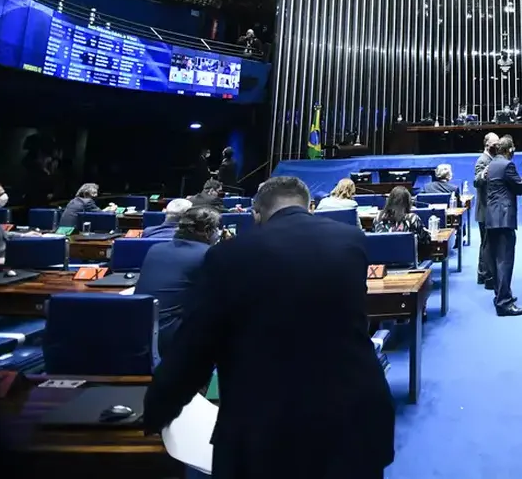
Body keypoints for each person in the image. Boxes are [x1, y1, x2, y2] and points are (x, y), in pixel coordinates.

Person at [143, 176, 394, 478]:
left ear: (256, 213)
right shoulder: (351, 240)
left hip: (267, 431)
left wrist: (156, 410)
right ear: (310, 207)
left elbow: (194, 349)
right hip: (356, 418)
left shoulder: (227, 255)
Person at [134, 206, 221, 356]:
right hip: (172, 338)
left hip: (138, 332)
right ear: (208, 231)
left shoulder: (155, 249)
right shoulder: (208, 254)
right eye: (217, 229)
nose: (219, 233)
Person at [483, 136, 522, 316]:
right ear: (509, 149)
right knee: (505, 261)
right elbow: (521, 187)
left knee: (495, 260)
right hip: (503, 218)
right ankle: (504, 303)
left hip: (491, 217)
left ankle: (501, 294)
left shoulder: (492, 163)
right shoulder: (508, 165)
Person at [473, 132, 499, 288]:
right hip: (485, 209)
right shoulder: (482, 160)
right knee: (486, 243)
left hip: (490, 208)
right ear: (487, 144)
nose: (497, 145)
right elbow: (477, 180)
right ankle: (485, 275)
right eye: (494, 143)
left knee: (487, 243)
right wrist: (484, 173)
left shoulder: (492, 159)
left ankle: (483, 274)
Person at [371, 186, 430, 250]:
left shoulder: (378, 217)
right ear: (408, 202)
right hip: (407, 258)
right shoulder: (412, 218)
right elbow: (426, 241)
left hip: (381, 258)